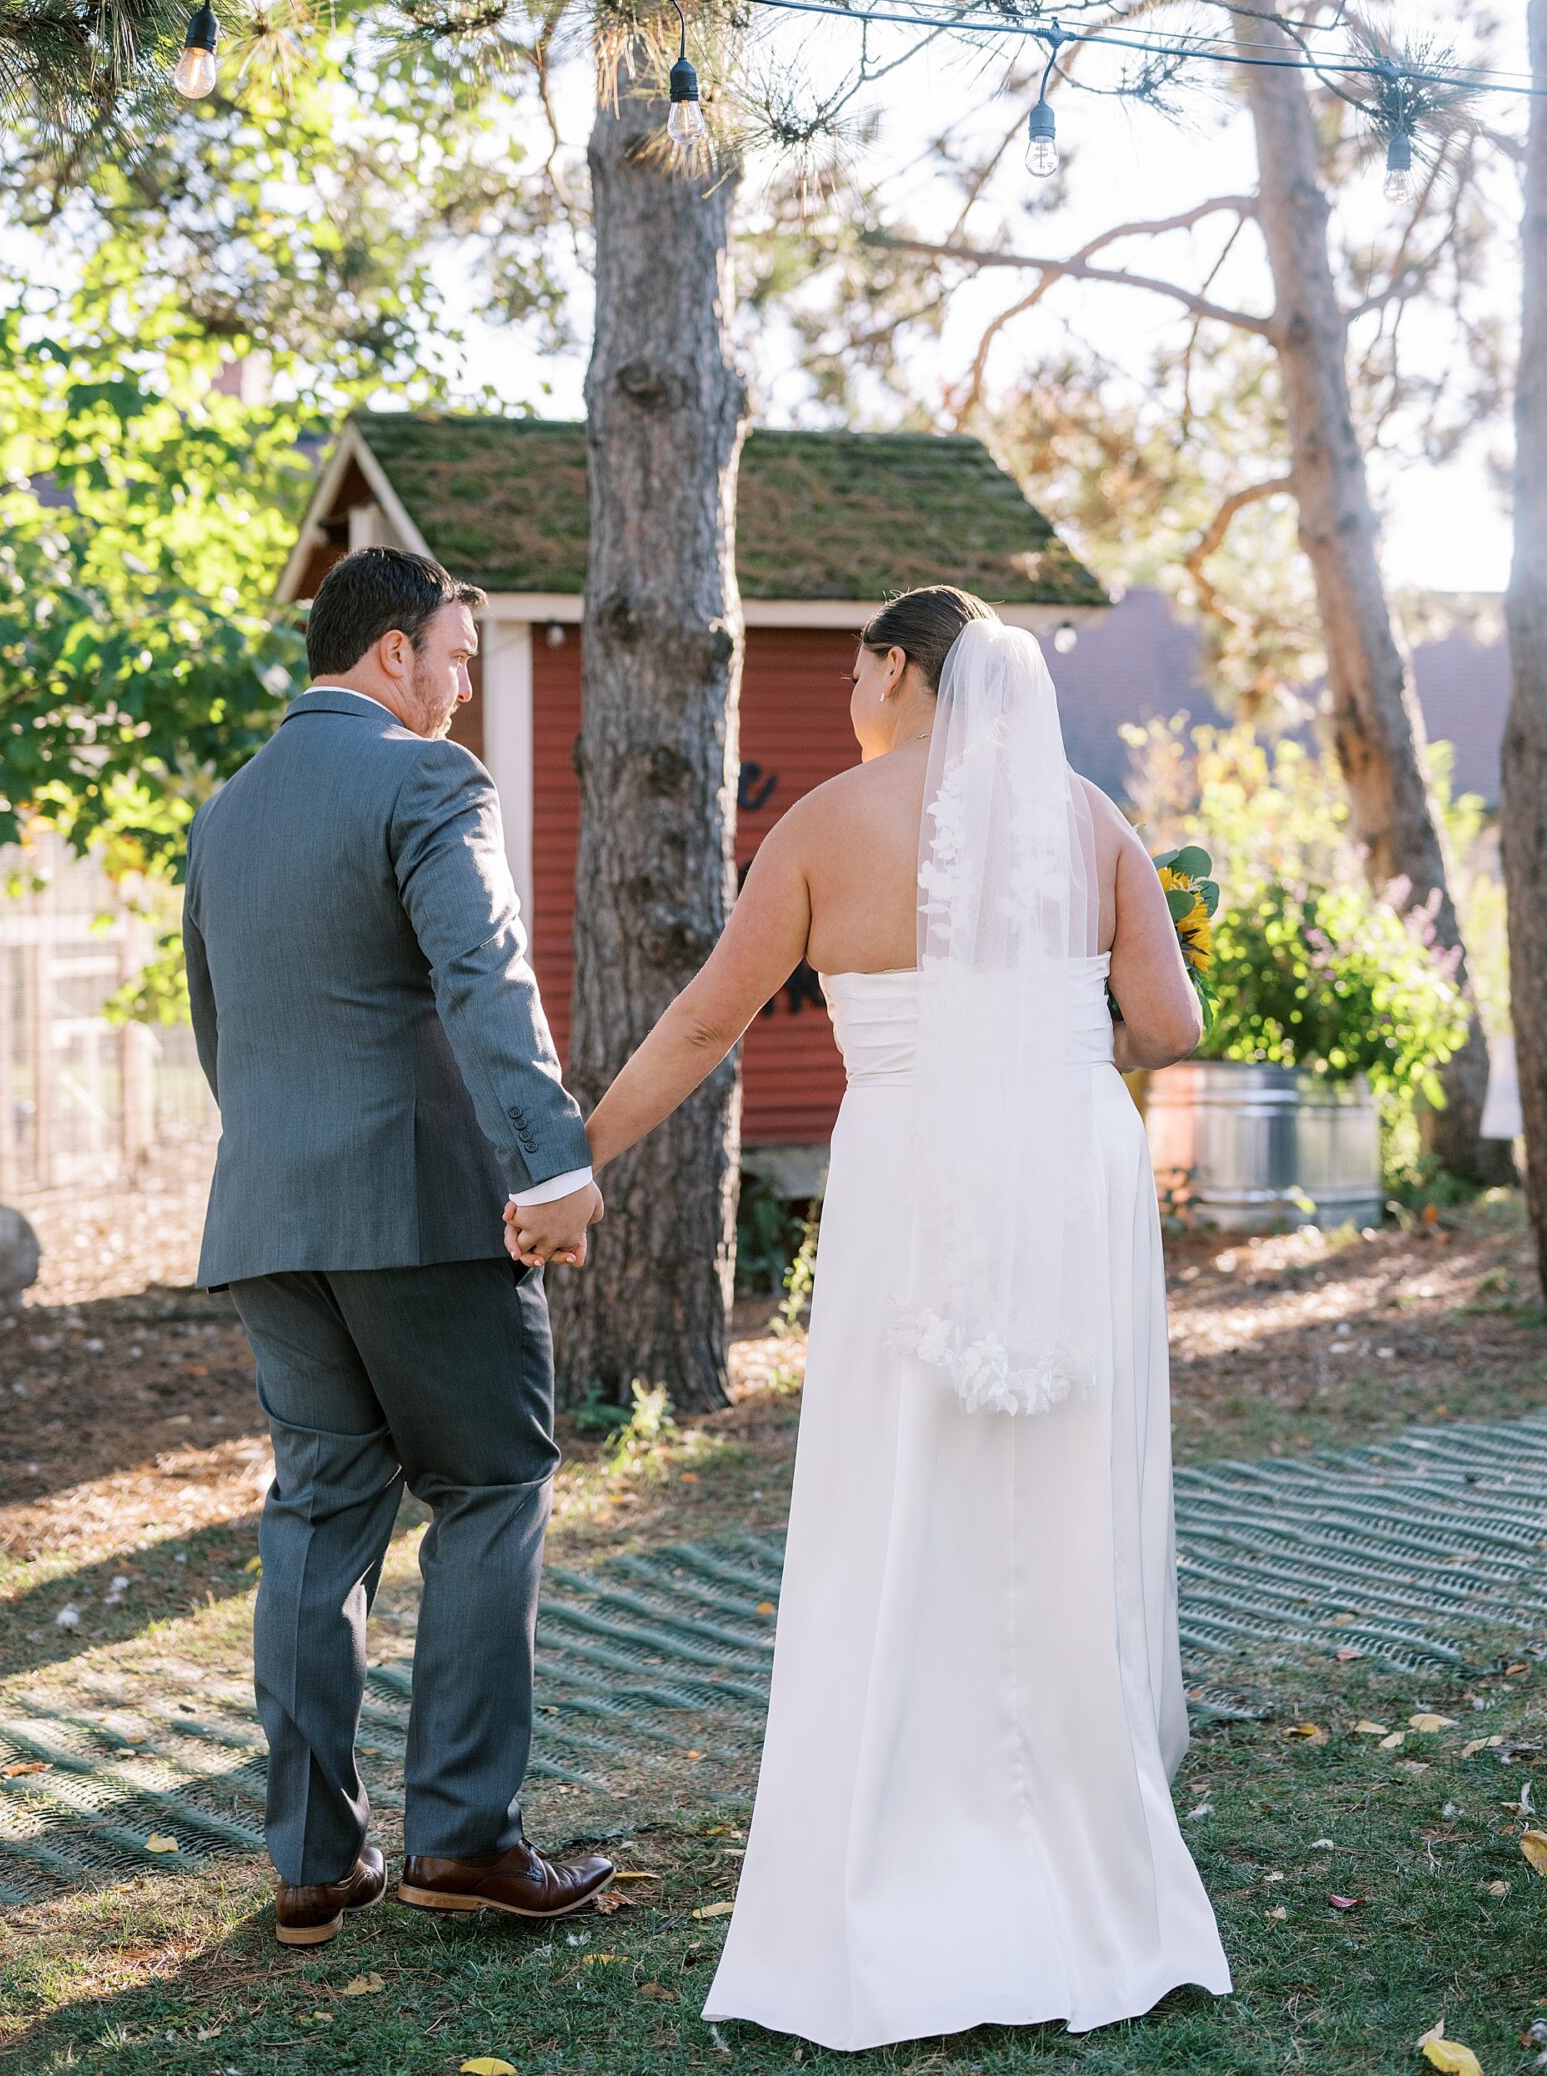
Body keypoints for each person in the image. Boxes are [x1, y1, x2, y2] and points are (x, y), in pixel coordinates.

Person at [512, 585, 1231, 2049]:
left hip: (916, 1168)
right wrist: (1041, 1033)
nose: (851, 695)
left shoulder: (829, 823)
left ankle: (896, 1865)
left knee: (899, 1499)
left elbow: (710, 1019)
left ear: (897, 668)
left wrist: (577, 1154)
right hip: (1066, 1176)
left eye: (855, 669)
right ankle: (1089, 1872)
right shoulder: (1090, 820)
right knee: (1053, 1504)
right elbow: (1170, 1030)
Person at [183, 547, 612, 1948]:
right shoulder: (425, 782)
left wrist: (287, 1168)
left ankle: (314, 1865)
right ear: (390, 654)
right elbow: (487, 974)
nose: (467, 682)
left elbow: (218, 1034)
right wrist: (550, 1161)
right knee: (492, 1480)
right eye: (460, 654)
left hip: (269, 1213)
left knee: (319, 1511)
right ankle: (465, 1843)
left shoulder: (225, 817)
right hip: (419, 1209)